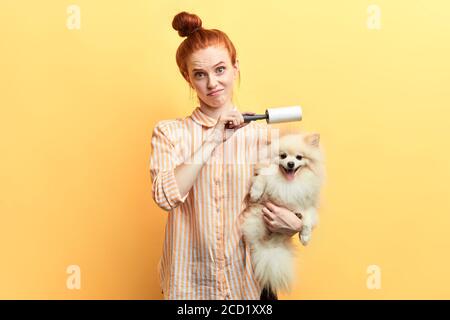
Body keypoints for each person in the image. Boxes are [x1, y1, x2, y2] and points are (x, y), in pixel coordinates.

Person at [149, 11, 303, 300]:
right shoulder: (169, 133)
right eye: (200, 74)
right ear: (188, 78)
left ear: (235, 67)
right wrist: (212, 139)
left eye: (220, 70)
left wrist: (297, 222)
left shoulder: (263, 138)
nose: (212, 84)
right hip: (191, 288)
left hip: (249, 286)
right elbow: (165, 197)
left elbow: (292, 199)